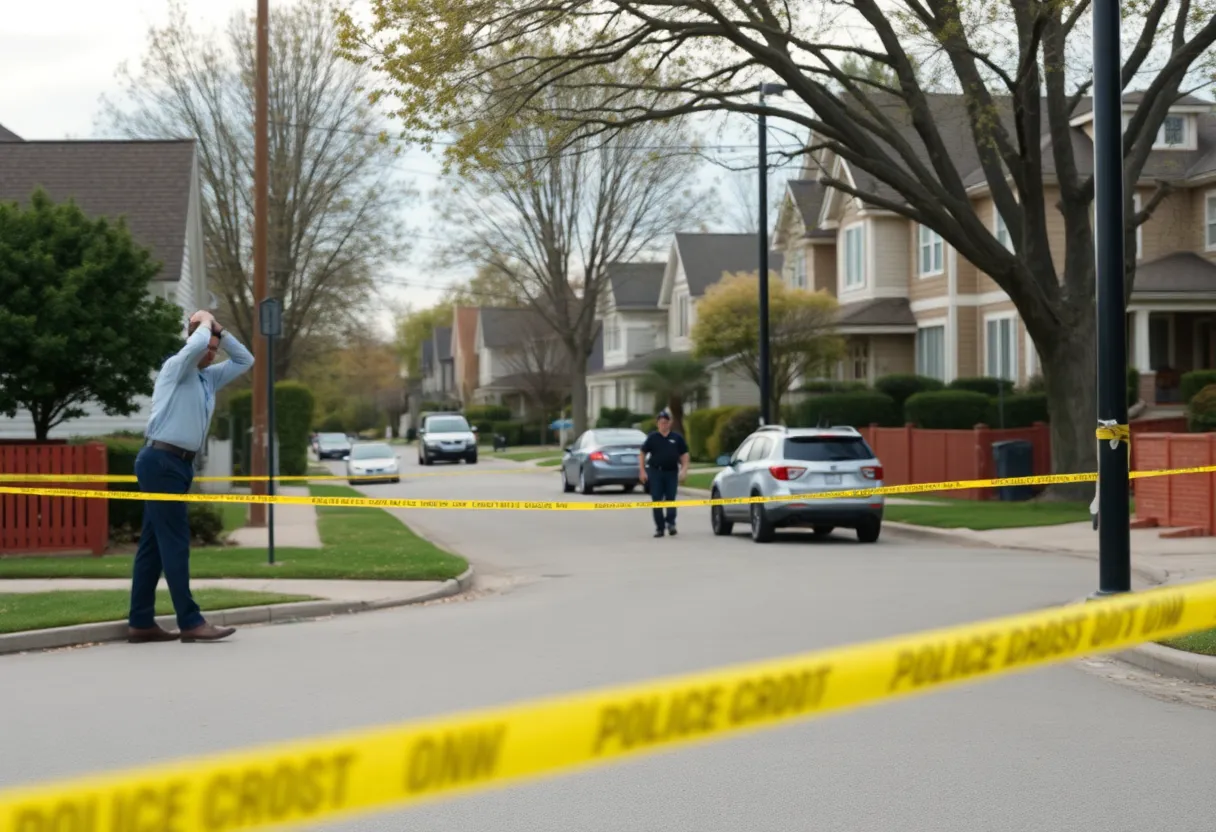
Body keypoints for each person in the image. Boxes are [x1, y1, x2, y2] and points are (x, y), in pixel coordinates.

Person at [128, 310, 254, 644]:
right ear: (192, 342)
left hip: (180, 465)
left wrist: (221, 331)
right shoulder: (177, 368)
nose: (210, 353)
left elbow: (245, 359)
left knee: (153, 547)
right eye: (206, 346)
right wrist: (204, 321)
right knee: (176, 542)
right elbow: (196, 344)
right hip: (160, 461)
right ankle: (190, 621)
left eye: (215, 349)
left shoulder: (207, 379)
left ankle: (141, 622)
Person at [638, 409, 690, 538]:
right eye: (661, 422)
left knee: (670, 499)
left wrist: (684, 469)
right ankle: (659, 527)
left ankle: (671, 523)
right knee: (657, 499)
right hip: (656, 472)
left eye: (666, 422)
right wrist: (642, 471)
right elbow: (642, 453)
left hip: (671, 472)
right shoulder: (652, 438)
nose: (664, 425)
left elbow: (684, 454)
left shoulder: (676, 438)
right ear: (657, 424)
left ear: (669, 423)